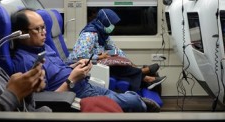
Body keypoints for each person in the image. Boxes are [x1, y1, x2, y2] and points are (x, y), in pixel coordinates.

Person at [10, 8, 161, 112]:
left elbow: (62, 66)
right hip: (73, 95)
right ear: (22, 33)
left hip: (82, 84)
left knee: (122, 93)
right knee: (133, 101)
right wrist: (71, 79)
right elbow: (47, 100)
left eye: (44, 28)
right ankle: (139, 97)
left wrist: (76, 66)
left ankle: (137, 92)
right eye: (38, 29)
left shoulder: (44, 48)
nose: (44, 33)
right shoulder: (26, 62)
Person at [68, 8, 167, 91]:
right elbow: (80, 55)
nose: (113, 27)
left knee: (119, 66)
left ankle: (146, 79)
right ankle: (144, 74)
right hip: (79, 65)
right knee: (116, 69)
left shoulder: (103, 34)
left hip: (94, 63)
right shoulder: (88, 35)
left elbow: (114, 49)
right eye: (111, 24)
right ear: (105, 22)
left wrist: (127, 61)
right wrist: (99, 56)